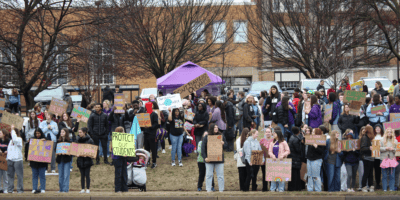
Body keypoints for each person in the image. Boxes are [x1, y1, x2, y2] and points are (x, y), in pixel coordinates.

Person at [201, 123, 225, 192]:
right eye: (215, 127)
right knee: (209, 175)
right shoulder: (207, 137)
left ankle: (221, 190)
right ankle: (208, 190)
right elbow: (203, 148)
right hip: (209, 160)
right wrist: (205, 157)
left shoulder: (221, 136)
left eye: (217, 127)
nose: (216, 128)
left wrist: (223, 144)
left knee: (220, 176)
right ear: (211, 128)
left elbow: (226, 146)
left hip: (219, 160)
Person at [29, 128, 48, 194]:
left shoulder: (45, 139)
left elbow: (49, 145)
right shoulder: (32, 139)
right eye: (36, 133)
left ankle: (42, 188)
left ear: (41, 133)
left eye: (38, 133)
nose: (37, 135)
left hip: (42, 162)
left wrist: (45, 140)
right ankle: (34, 188)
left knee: (42, 175)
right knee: (34, 175)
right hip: (34, 161)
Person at [6, 125, 23, 193]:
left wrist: (12, 129)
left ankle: (20, 189)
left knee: (19, 176)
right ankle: (10, 190)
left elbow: (15, 139)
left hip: (18, 160)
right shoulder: (10, 141)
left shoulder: (19, 139)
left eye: (12, 132)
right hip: (10, 160)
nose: (10, 133)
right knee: (10, 176)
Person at [76, 127, 93, 194]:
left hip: (87, 160)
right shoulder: (78, 140)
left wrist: (88, 155)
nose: (79, 134)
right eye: (79, 132)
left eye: (80, 132)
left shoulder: (90, 140)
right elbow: (75, 149)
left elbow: (93, 150)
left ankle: (88, 188)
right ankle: (82, 188)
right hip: (80, 160)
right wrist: (76, 154)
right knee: (82, 175)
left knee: (87, 175)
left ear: (84, 132)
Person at [111, 126, 128, 193]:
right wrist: (122, 154)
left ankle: (124, 188)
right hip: (117, 158)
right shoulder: (115, 139)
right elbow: (114, 149)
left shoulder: (124, 139)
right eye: (123, 131)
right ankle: (118, 189)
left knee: (124, 173)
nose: (124, 132)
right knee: (118, 174)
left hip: (123, 158)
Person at [143, 102, 160, 168]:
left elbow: (156, 124)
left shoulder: (154, 114)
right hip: (146, 133)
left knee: (153, 149)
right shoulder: (145, 114)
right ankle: (147, 161)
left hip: (152, 134)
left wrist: (150, 126)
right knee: (146, 148)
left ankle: (154, 162)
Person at [288, 126, 304, 191]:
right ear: (299, 132)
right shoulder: (296, 139)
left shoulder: (292, 138)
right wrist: (302, 144)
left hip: (293, 158)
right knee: (296, 174)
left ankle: (292, 187)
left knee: (293, 174)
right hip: (295, 159)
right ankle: (296, 188)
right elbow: (298, 149)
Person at [56, 128, 72, 193]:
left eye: (63, 132)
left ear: (66, 133)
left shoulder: (69, 141)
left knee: (66, 175)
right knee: (60, 175)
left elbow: (71, 151)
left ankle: (65, 189)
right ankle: (61, 189)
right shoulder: (58, 141)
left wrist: (67, 152)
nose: (61, 133)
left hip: (67, 160)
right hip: (60, 159)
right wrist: (58, 152)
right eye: (61, 132)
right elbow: (55, 150)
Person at [360, 125, 375, 192]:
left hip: (371, 157)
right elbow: (362, 148)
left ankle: (371, 185)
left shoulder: (371, 138)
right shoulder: (364, 137)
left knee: (371, 173)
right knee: (366, 173)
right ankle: (363, 186)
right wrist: (369, 148)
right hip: (366, 157)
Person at [373, 124, 384, 189]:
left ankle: (385, 184)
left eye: (379, 128)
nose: (377, 129)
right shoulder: (373, 137)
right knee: (377, 171)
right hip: (376, 157)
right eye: (376, 128)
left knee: (384, 171)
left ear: (381, 129)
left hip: (383, 156)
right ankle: (377, 183)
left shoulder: (383, 136)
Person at [0, 129, 10, 193]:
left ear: (4, 134)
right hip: (0, 159)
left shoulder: (8, 141)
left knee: (5, 175)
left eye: (0, 133)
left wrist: (7, 151)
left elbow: (12, 149)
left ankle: (5, 189)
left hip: (6, 159)